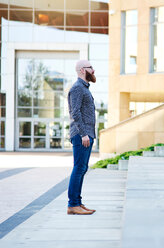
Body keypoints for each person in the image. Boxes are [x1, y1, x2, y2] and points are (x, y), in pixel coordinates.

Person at [67, 60, 97, 215]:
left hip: (87, 135)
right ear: (81, 70)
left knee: (82, 168)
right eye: (90, 67)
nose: (93, 70)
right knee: (79, 168)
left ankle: (77, 203)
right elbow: (75, 113)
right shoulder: (77, 88)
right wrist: (84, 134)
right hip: (81, 135)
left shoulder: (84, 88)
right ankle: (73, 204)